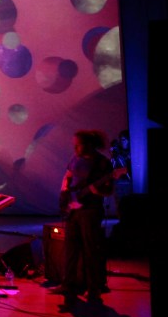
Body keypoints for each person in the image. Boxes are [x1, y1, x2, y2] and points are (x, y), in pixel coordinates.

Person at [50, 129, 121, 307]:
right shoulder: (75, 159)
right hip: (74, 211)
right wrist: (64, 193)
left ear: (89, 144)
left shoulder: (102, 163)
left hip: (90, 211)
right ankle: (68, 285)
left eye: (78, 145)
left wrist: (97, 191)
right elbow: (68, 176)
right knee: (70, 249)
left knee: (91, 250)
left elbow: (109, 190)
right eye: (74, 145)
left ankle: (94, 289)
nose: (75, 148)